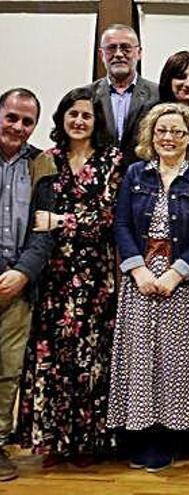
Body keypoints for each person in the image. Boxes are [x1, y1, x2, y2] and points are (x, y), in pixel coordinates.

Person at [108, 103, 189, 473]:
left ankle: (177, 433)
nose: (169, 138)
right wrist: (138, 270)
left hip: (187, 280)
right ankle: (145, 433)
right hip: (141, 277)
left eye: (178, 132)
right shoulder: (134, 174)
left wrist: (177, 272)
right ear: (151, 135)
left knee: (179, 362)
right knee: (143, 358)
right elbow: (122, 224)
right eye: (162, 131)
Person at [17, 87, 121, 468]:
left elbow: (108, 218)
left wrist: (62, 220)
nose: (79, 121)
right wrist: (63, 222)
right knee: (52, 355)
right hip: (55, 273)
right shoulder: (48, 160)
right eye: (73, 114)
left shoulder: (111, 159)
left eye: (87, 115)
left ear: (97, 122)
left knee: (91, 356)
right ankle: (54, 442)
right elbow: (35, 217)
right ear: (62, 118)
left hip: (95, 275)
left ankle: (88, 442)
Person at [0, 88, 56, 481]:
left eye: (27, 121)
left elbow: (46, 231)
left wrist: (22, 273)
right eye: (11, 117)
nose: (18, 127)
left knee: (7, 370)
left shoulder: (42, 165)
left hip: (17, 284)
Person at [89, 24, 160, 167]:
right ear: (101, 54)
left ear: (139, 53)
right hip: (98, 182)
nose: (119, 54)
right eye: (111, 48)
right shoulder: (86, 96)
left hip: (145, 180)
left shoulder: (159, 95)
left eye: (126, 48)